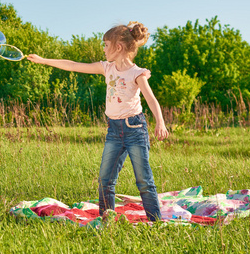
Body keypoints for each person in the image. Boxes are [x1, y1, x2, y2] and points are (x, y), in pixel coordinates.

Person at [27, 21, 169, 221]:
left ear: (118, 47)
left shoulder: (137, 73)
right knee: (105, 180)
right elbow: (74, 66)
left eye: (105, 44)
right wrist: (44, 60)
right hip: (114, 130)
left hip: (134, 128)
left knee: (144, 181)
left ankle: (156, 222)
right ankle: (106, 220)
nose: (103, 49)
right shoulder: (106, 68)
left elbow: (151, 100)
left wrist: (160, 122)